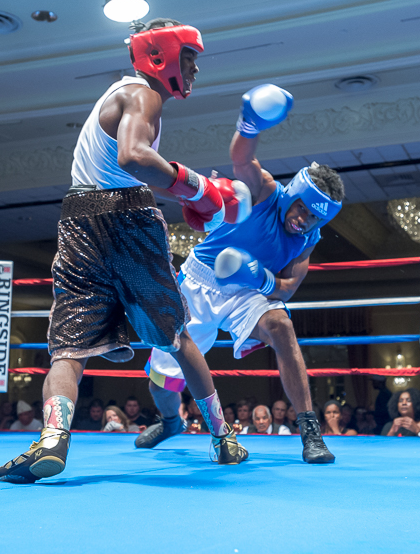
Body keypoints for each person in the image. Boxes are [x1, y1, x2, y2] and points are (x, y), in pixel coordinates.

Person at [0, 19, 249, 484]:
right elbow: (133, 156)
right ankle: (223, 437)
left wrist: (187, 193)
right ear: (161, 55)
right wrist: (199, 186)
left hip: (78, 222)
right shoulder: (142, 94)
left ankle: (52, 439)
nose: (195, 69)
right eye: (189, 58)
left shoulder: (122, 95)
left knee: (69, 348)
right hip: (128, 219)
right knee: (176, 337)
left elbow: (125, 165)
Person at [138, 85, 343, 465]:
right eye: (302, 209)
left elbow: (287, 288)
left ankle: (310, 431)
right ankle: (170, 421)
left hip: (247, 292)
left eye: (314, 217)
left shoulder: (307, 239)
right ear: (293, 194)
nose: (303, 220)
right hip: (198, 282)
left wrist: (258, 277)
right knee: (163, 382)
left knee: (281, 325)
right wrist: (250, 125)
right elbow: (241, 158)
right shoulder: (265, 190)